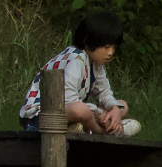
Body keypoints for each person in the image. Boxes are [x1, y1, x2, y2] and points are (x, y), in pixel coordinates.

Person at [19, 9, 142, 137]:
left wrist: (114, 109)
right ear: (88, 42)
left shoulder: (96, 64)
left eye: (113, 47)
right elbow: (69, 99)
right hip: (42, 115)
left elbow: (104, 93)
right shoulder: (76, 59)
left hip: (66, 112)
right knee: (81, 111)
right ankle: (104, 132)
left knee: (122, 105)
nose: (110, 53)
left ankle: (103, 126)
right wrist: (99, 113)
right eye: (106, 47)